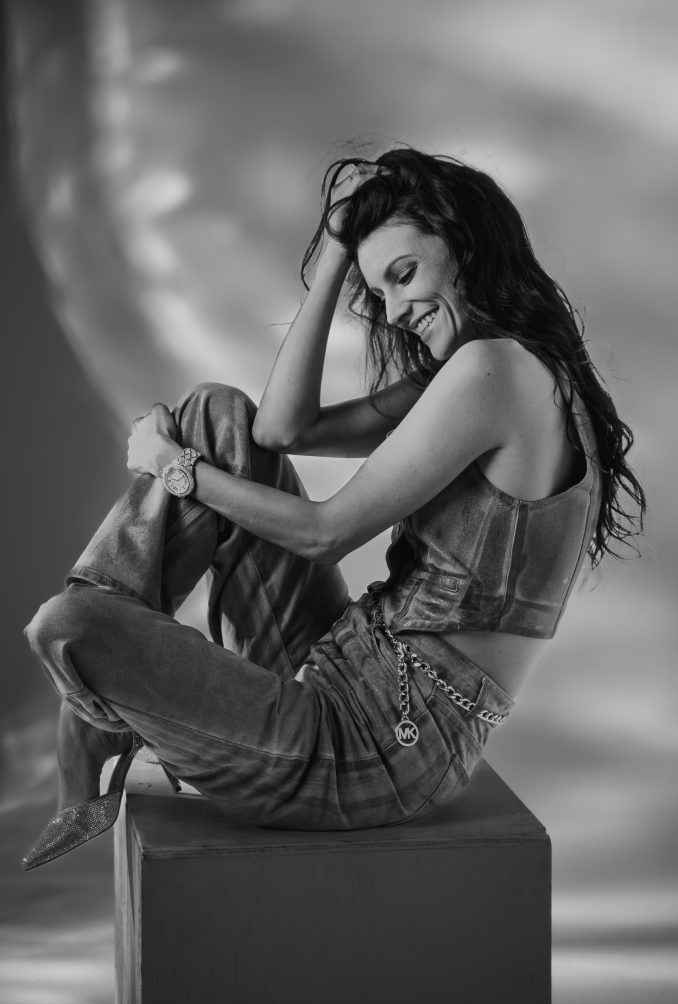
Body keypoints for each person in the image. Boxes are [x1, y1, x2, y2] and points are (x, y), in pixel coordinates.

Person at [23, 147, 646, 869]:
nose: (392, 311)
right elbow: (277, 431)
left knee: (68, 625)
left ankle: (96, 704)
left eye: (404, 275)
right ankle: (107, 697)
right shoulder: (485, 371)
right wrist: (336, 253)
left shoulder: (495, 372)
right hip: (343, 666)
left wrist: (172, 467)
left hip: (379, 748)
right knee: (216, 414)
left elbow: (325, 534)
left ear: (467, 244)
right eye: (376, 289)